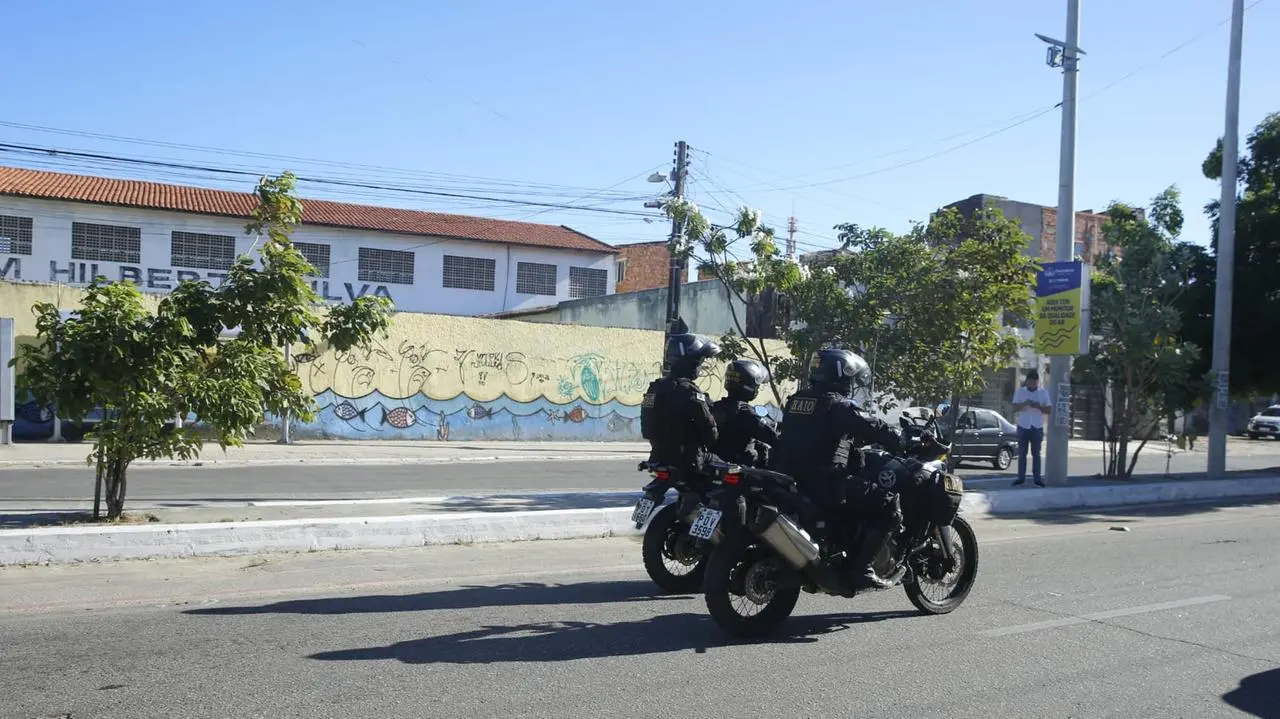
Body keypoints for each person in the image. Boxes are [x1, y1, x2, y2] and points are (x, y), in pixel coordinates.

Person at [773, 348, 909, 591]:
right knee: (887, 503)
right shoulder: (837, 405)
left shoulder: (797, 400)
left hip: (790, 479)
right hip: (825, 483)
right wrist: (898, 438)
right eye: (850, 377)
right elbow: (870, 426)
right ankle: (862, 569)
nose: (852, 382)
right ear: (840, 375)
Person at [639, 329, 720, 472]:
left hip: (658, 455)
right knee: (729, 470)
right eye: (699, 360)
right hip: (689, 459)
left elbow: (646, 423)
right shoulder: (690, 391)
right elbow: (709, 428)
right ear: (691, 362)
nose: (700, 365)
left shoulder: (655, 387)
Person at [709, 359, 780, 467]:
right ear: (749, 386)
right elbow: (773, 438)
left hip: (714, 466)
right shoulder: (745, 413)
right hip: (739, 470)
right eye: (757, 386)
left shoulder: (715, 406)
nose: (757, 389)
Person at [1011, 369, 1052, 487]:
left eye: (1034, 382)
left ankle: (1037, 478)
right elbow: (1014, 408)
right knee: (1022, 453)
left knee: (1036, 453)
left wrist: (1039, 406)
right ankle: (1021, 478)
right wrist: (1024, 403)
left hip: (1037, 427)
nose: (1032, 384)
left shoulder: (1043, 393)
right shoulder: (1020, 392)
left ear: (1037, 382)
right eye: (1030, 382)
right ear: (1027, 381)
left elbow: (1049, 410)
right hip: (1023, 426)